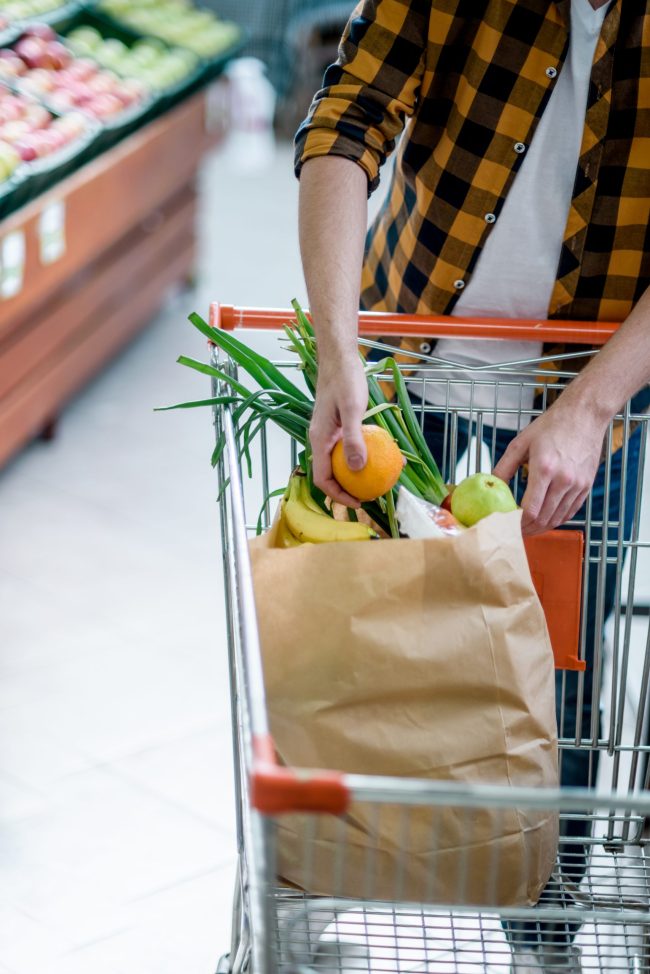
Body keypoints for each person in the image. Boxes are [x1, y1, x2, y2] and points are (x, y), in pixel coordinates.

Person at [294, 1, 650, 971]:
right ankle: (346, 866)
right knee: (373, 630)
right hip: (405, 367)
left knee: (549, 676)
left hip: (582, 391)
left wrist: (590, 407)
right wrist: (339, 349)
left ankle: (543, 931)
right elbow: (347, 116)